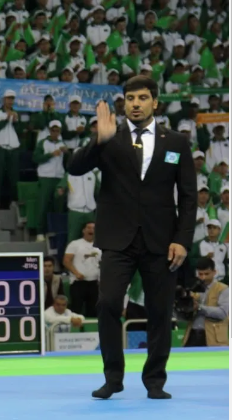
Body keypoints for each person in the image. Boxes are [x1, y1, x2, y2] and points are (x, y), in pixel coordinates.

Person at [67, 75, 197, 400]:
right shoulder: (110, 137)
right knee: (109, 303)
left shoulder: (176, 142)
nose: (135, 104)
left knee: (159, 311)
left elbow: (188, 196)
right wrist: (99, 140)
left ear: (155, 102)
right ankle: (113, 378)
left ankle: (155, 381)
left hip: (161, 240)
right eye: (129, 98)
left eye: (142, 98)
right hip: (117, 238)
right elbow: (74, 167)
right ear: (123, 103)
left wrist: (182, 239)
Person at [182, 257, 229, 347]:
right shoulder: (193, 288)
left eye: (206, 274)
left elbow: (222, 313)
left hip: (213, 338)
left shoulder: (223, 289)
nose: (203, 277)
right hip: (192, 335)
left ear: (214, 272)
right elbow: (184, 317)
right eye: (200, 274)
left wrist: (199, 307)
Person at [62, 222, 100, 318]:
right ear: (83, 230)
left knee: (93, 310)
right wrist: (76, 273)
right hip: (78, 282)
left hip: (95, 283)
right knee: (76, 309)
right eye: (89, 228)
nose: (91, 230)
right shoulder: (75, 244)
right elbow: (66, 261)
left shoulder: (100, 245)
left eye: (94, 228)